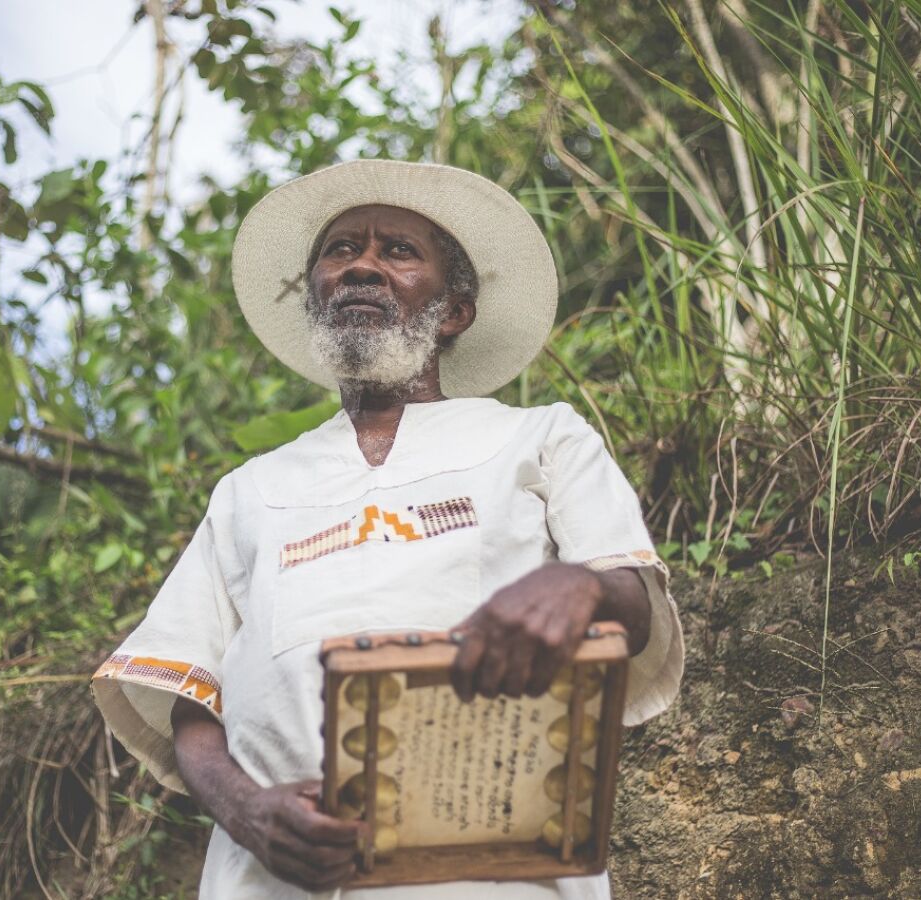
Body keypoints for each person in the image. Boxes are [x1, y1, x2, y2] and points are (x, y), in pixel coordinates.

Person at [92, 159, 684, 898]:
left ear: (457, 310)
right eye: (340, 251)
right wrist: (248, 814)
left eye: (398, 251)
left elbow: (630, 612)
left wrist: (579, 585)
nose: (361, 267)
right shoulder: (250, 490)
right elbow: (191, 699)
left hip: (499, 879)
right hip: (275, 880)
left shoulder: (541, 438)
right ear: (314, 296)